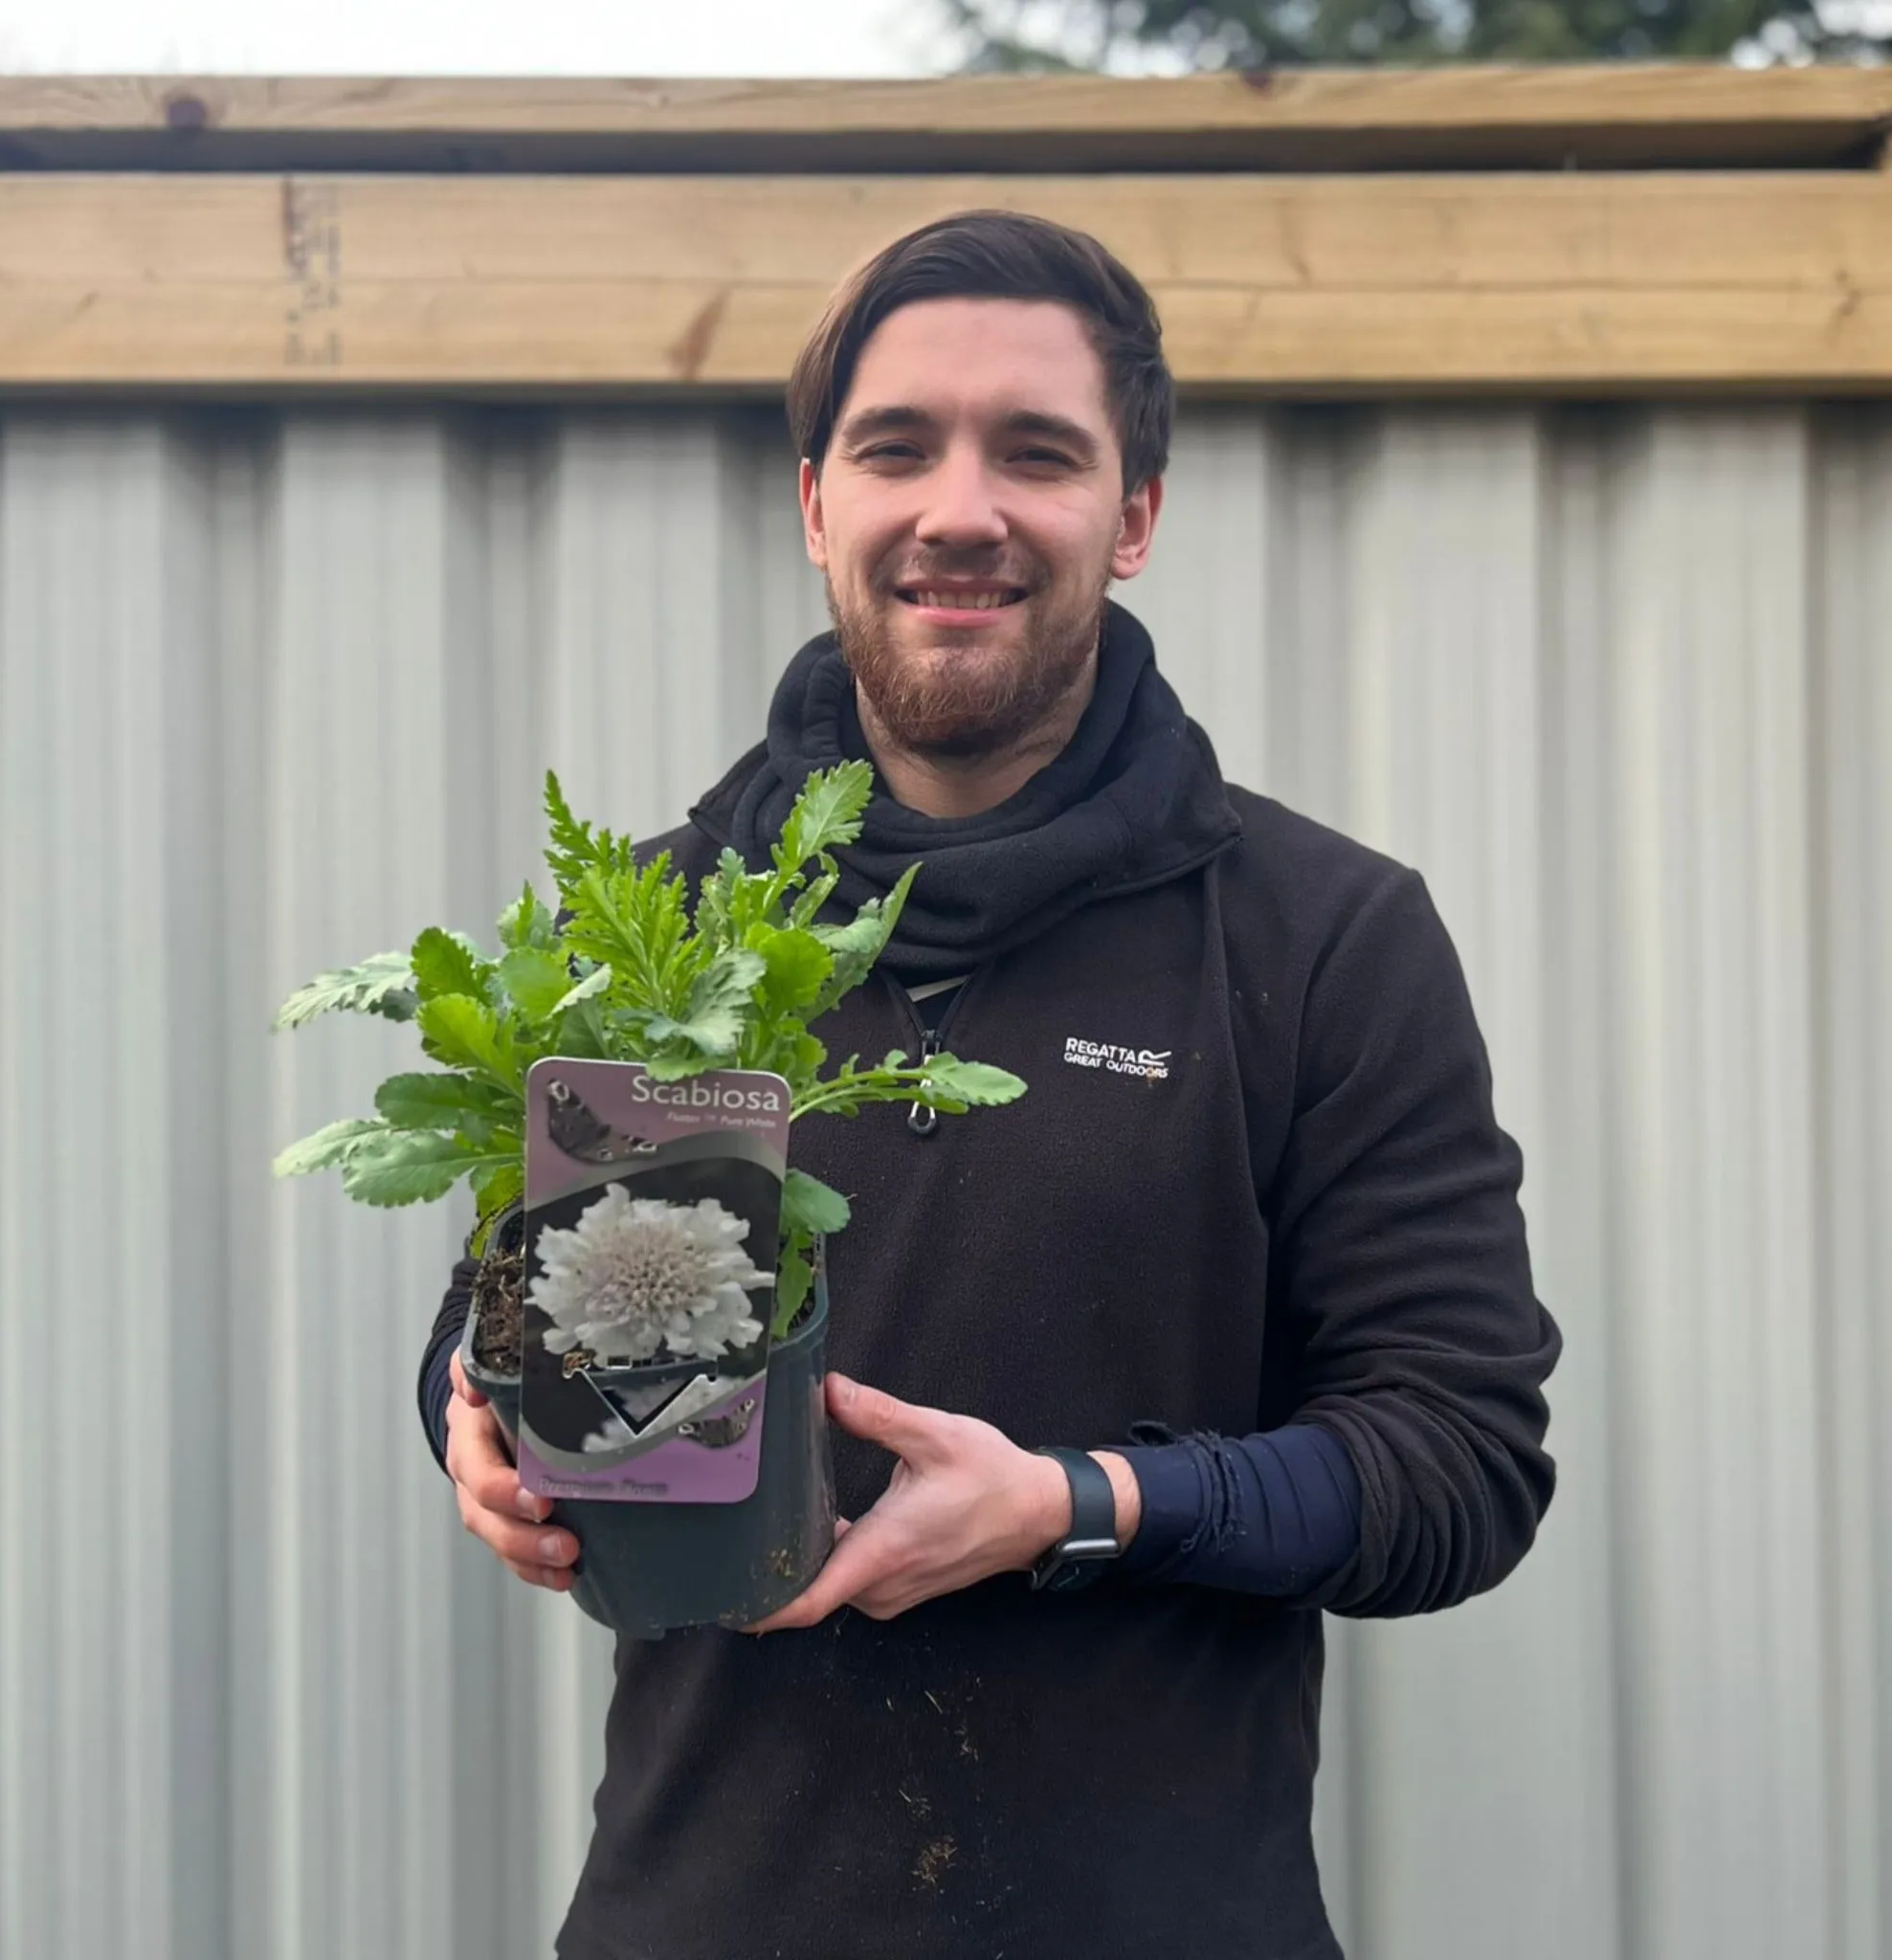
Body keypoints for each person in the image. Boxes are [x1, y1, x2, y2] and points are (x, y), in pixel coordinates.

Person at [417, 209, 1562, 1960]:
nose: (962, 508)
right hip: (698, 1915)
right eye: (898, 449)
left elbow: (1461, 1461)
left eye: (1038, 452)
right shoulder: (657, 929)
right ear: (818, 505)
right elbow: (497, 1311)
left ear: (1137, 515)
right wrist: (474, 1428)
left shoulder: (1324, 937)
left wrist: (1078, 1504)